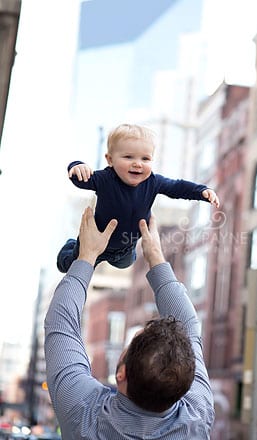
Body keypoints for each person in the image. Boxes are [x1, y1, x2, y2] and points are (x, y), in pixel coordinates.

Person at [44, 207, 215, 439]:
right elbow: (60, 324)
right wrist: (154, 256)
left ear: (121, 373)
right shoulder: (196, 422)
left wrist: (88, 254)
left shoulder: (84, 412)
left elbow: (61, 323)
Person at [56, 123, 220, 273]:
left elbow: (177, 187)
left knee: (127, 263)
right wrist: (77, 166)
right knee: (68, 266)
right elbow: (81, 180)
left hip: (125, 249)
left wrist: (201, 191)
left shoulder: (153, 182)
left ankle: (122, 253)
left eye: (145, 158)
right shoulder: (105, 179)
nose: (138, 164)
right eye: (128, 157)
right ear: (110, 160)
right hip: (95, 242)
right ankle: (70, 246)